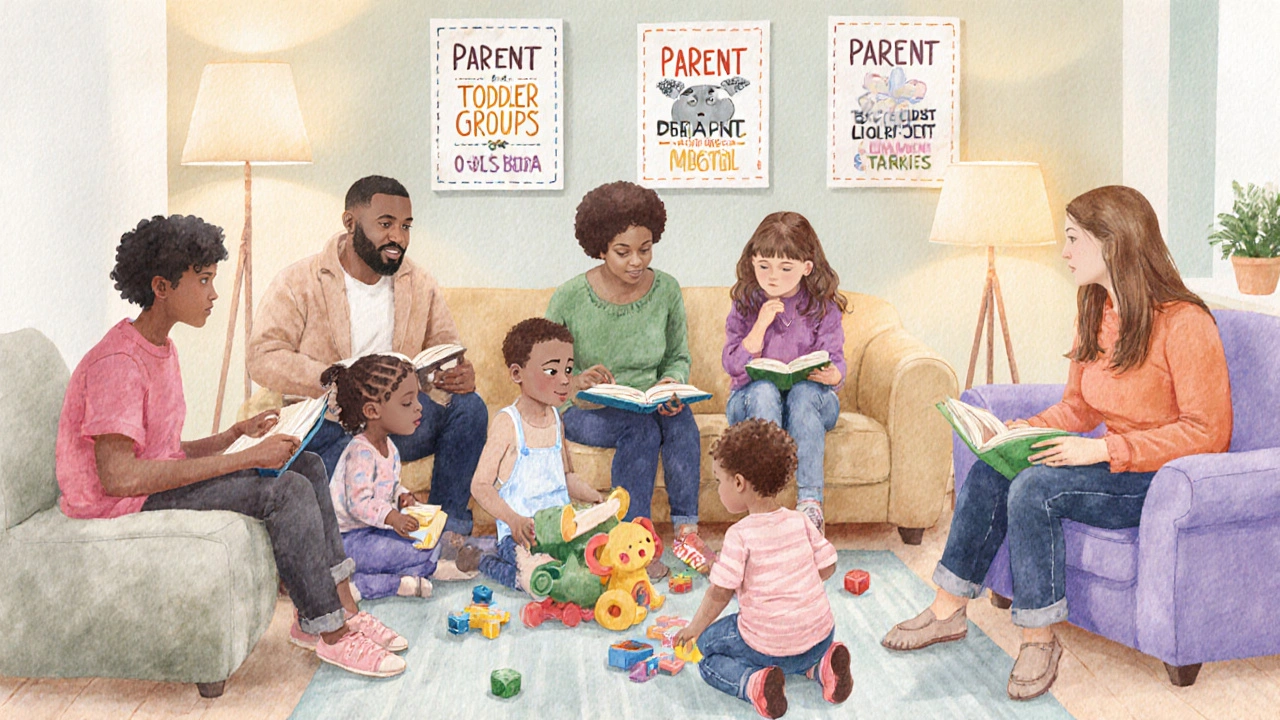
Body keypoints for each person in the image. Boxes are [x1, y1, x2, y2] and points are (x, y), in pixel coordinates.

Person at [882, 185, 1233, 700]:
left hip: (1160, 483)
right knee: (993, 468)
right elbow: (1079, 407)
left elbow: (1208, 433)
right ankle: (947, 609)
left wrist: (1102, 450)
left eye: (1073, 240)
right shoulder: (1096, 308)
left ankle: (1039, 639)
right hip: (1113, 465)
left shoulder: (1185, 322)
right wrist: (1026, 427)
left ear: (1113, 243)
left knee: (1034, 489)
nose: (1065, 253)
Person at [56, 215, 408, 679]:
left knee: (309, 465)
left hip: (139, 489)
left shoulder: (159, 347)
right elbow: (120, 477)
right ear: (161, 286)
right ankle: (330, 633)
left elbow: (158, 451)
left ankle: (340, 609)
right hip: (115, 506)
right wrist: (245, 459)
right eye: (202, 281)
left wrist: (231, 436)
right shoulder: (119, 361)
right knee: (284, 491)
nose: (214, 294)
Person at [248, 175, 486, 535]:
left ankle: (447, 529)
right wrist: (329, 378)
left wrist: (458, 374)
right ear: (350, 223)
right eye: (386, 224)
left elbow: (444, 347)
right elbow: (262, 356)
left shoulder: (419, 282)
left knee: (470, 408)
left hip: (395, 424)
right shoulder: (298, 281)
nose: (399, 238)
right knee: (321, 469)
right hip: (332, 425)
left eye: (406, 226)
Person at [545, 180, 704, 579]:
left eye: (645, 249)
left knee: (680, 419)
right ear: (600, 247)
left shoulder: (666, 289)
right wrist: (576, 379)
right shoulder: (569, 297)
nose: (636, 261)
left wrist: (671, 382)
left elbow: (677, 355)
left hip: (648, 400)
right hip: (585, 408)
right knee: (641, 429)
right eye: (623, 251)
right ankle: (631, 539)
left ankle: (688, 531)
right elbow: (545, 367)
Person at [674, 419, 853, 720]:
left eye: (719, 481)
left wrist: (694, 629)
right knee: (799, 647)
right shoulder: (800, 520)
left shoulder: (740, 534)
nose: (718, 489)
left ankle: (753, 684)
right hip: (820, 635)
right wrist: (797, 583)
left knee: (707, 652)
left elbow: (720, 593)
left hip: (767, 646)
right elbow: (829, 564)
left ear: (740, 483)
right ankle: (819, 666)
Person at [723, 211, 848, 535]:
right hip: (749, 400)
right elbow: (733, 365)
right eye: (763, 266)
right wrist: (761, 324)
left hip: (810, 400)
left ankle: (810, 504)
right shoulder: (746, 304)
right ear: (752, 262)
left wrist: (832, 375)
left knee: (804, 395)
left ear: (806, 267)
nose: (772, 277)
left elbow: (837, 364)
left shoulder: (822, 307)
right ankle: (766, 504)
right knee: (764, 391)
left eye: (785, 268)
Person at [322, 354, 482, 600]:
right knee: (408, 550)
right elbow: (359, 503)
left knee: (416, 542)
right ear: (372, 410)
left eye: (417, 398)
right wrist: (392, 516)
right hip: (347, 540)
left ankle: (398, 581)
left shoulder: (390, 448)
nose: (420, 407)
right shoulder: (360, 452)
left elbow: (390, 485)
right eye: (408, 403)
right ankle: (382, 581)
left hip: (372, 531)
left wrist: (402, 495)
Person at [470, 318, 604, 591]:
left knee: (598, 562)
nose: (566, 379)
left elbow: (566, 476)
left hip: (562, 529)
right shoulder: (508, 423)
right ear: (517, 374)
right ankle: (482, 559)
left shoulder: (556, 418)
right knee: (545, 580)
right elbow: (480, 485)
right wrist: (513, 520)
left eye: (568, 369)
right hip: (523, 535)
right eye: (552, 371)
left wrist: (595, 497)